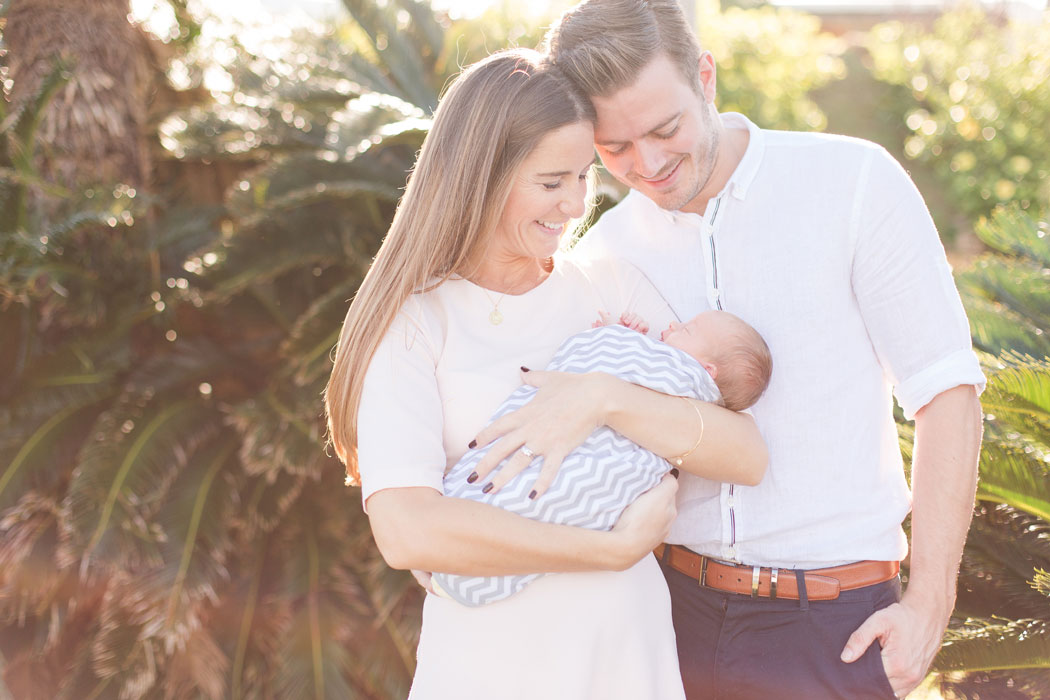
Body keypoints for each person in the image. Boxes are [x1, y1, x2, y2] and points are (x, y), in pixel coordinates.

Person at [464, 1, 984, 698]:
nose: (646, 164)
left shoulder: (854, 184)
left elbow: (945, 388)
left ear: (704, 77)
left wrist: (930, 603)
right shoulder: (602, 253)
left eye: (665, 128)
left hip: (836, 624)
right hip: (666, 615)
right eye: (614, 148)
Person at [323, 48, 767, 699]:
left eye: (584, 176)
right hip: (490, 669)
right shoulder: (418, 324)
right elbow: (405, 529)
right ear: (483, 175)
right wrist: (608, 551)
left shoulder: (608, 287)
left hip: (626, 659)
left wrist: (605, 398)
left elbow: (746, 452)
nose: (575, 204)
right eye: (551, 181)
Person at [434, 310, 772, 606]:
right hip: (580, 585)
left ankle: (478, 539)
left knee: (549, 493)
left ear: (706, 371)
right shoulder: (656, 355)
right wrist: (623, 337)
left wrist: (618, 341)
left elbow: (629, 376)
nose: (672, 324)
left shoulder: (684, 380)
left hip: (606, 583)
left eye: (686, 329)